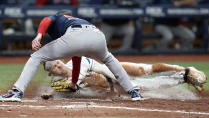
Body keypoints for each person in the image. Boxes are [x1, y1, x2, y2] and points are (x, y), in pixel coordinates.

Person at [0, 10, 142, 102]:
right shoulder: (76, 20)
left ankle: (17, 92)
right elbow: (76, 58)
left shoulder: (59, 17)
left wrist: (38, 36)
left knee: (36, 57)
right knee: (109, 59)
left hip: (76, 34)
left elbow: (46, 20)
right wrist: (73, 82)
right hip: (97, 35)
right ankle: (133, 91)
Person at [44, 56, 206, 93]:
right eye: (55, 67)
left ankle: (184, 69)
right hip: (111, 85)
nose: (58, 65)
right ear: (52, 73)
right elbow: (97, 84)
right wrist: (52, 94)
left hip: (113, 68)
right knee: (143, 87)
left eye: (57, 62)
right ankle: (185, 77)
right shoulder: (59, 82)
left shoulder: (76, 61)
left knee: (145, 70)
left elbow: (94, 72)